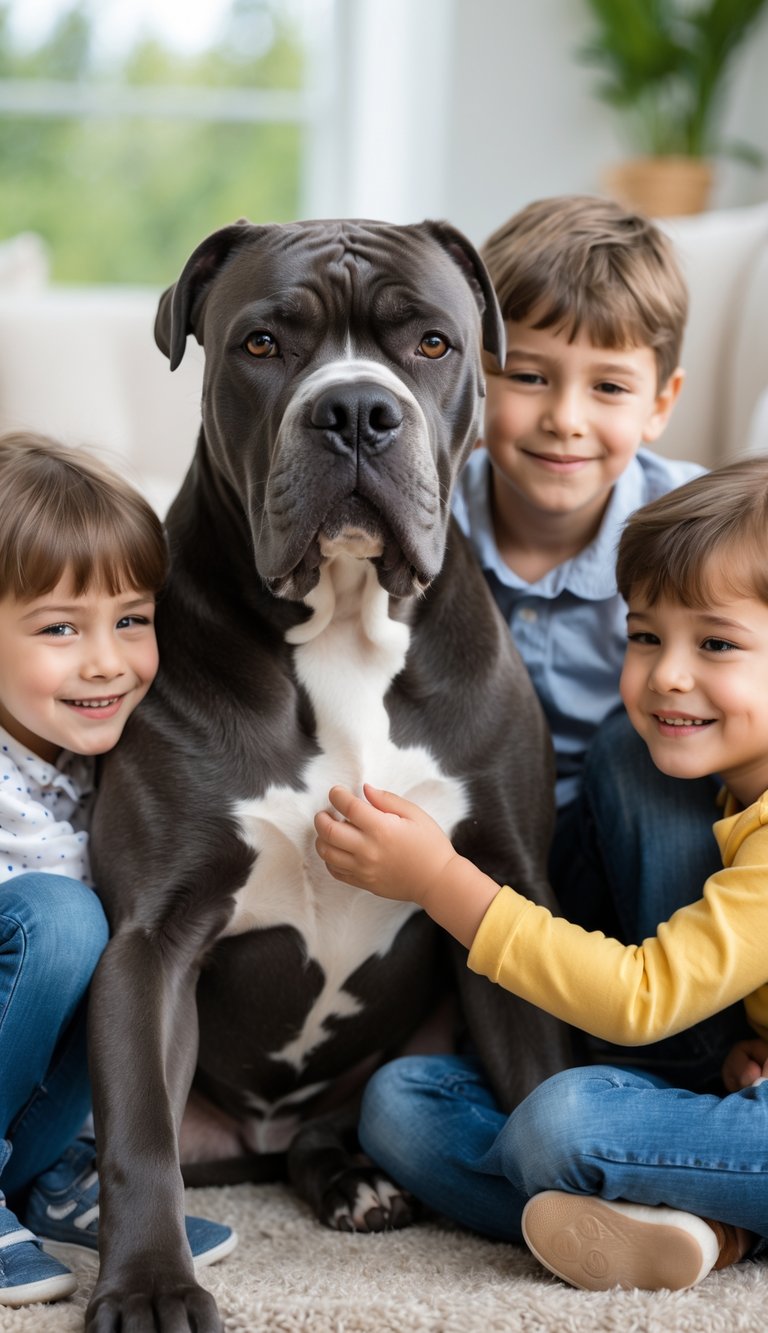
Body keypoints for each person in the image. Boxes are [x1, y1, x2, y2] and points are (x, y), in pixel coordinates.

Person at [314, 456, 768, 1293]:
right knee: (399, 1105)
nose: (667, 672)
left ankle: (707, 1218)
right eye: (644, 635)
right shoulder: (712, 779)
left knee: (565, 1123)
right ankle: (681, 1217)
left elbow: (642, 996)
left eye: (715, 642)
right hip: (721, 1080)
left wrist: (441, 880)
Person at [452, 196, 751, 1086]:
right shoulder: (425, 530)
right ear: (473, 374)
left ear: (661, 403)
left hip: (648, 863)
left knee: (637, 745)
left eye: (609, 387)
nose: (566, 419)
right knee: (402, 1108)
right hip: (476, 863)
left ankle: (686, 1069)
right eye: (530, 377)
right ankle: (551, 1092)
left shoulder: (699, 528)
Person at [0, 431, 235, 1307]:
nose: (106, 660)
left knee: (135, 941)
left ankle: (56, 1176)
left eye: (130, 619)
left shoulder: (105, 756)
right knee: (64, 921)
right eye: (60, 627)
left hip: (27, 1109)